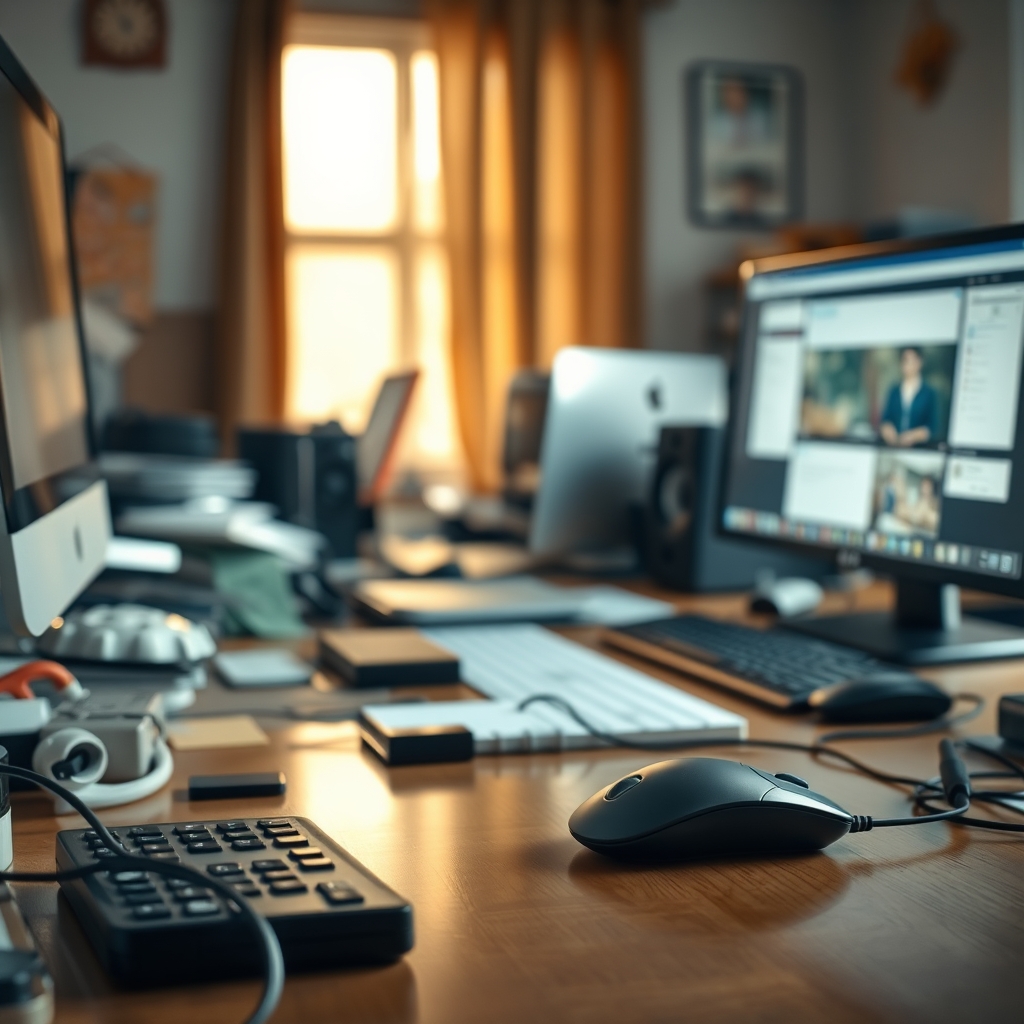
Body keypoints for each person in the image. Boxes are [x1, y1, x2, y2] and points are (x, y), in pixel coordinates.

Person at [879, 347, 939, 446]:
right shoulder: (894, 391)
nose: (908, 365)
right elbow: (885, 419)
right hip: (893, 447)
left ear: (920, 362)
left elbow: (933, 427)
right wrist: (887, 429)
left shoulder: (929, 392)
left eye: (912, 360)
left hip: (919, 451)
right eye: (905, 360)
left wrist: (914, 436)